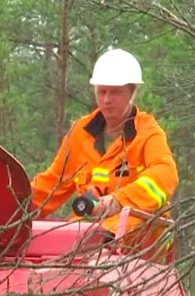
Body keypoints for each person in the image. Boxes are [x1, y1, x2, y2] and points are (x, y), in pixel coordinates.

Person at [29, 48, 179, 259]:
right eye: (102, 92)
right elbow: (51, 184)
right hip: (86, 244)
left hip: (140, 252)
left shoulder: (147, 133)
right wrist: (13, 211)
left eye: (115, 92)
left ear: (132, 92)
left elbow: (166, 175)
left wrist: (118, 201)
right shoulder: (80, 133)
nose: (107, 100)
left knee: (100, 235)